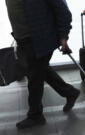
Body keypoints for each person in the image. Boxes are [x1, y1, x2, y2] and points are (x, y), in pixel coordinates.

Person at [5, 0, 80, 129]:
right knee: (41, 71)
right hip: (24, 40)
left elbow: (63, 11)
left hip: (39, 40)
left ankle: (35, 116)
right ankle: (70, 92)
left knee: (34, 78)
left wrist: (63, 37)